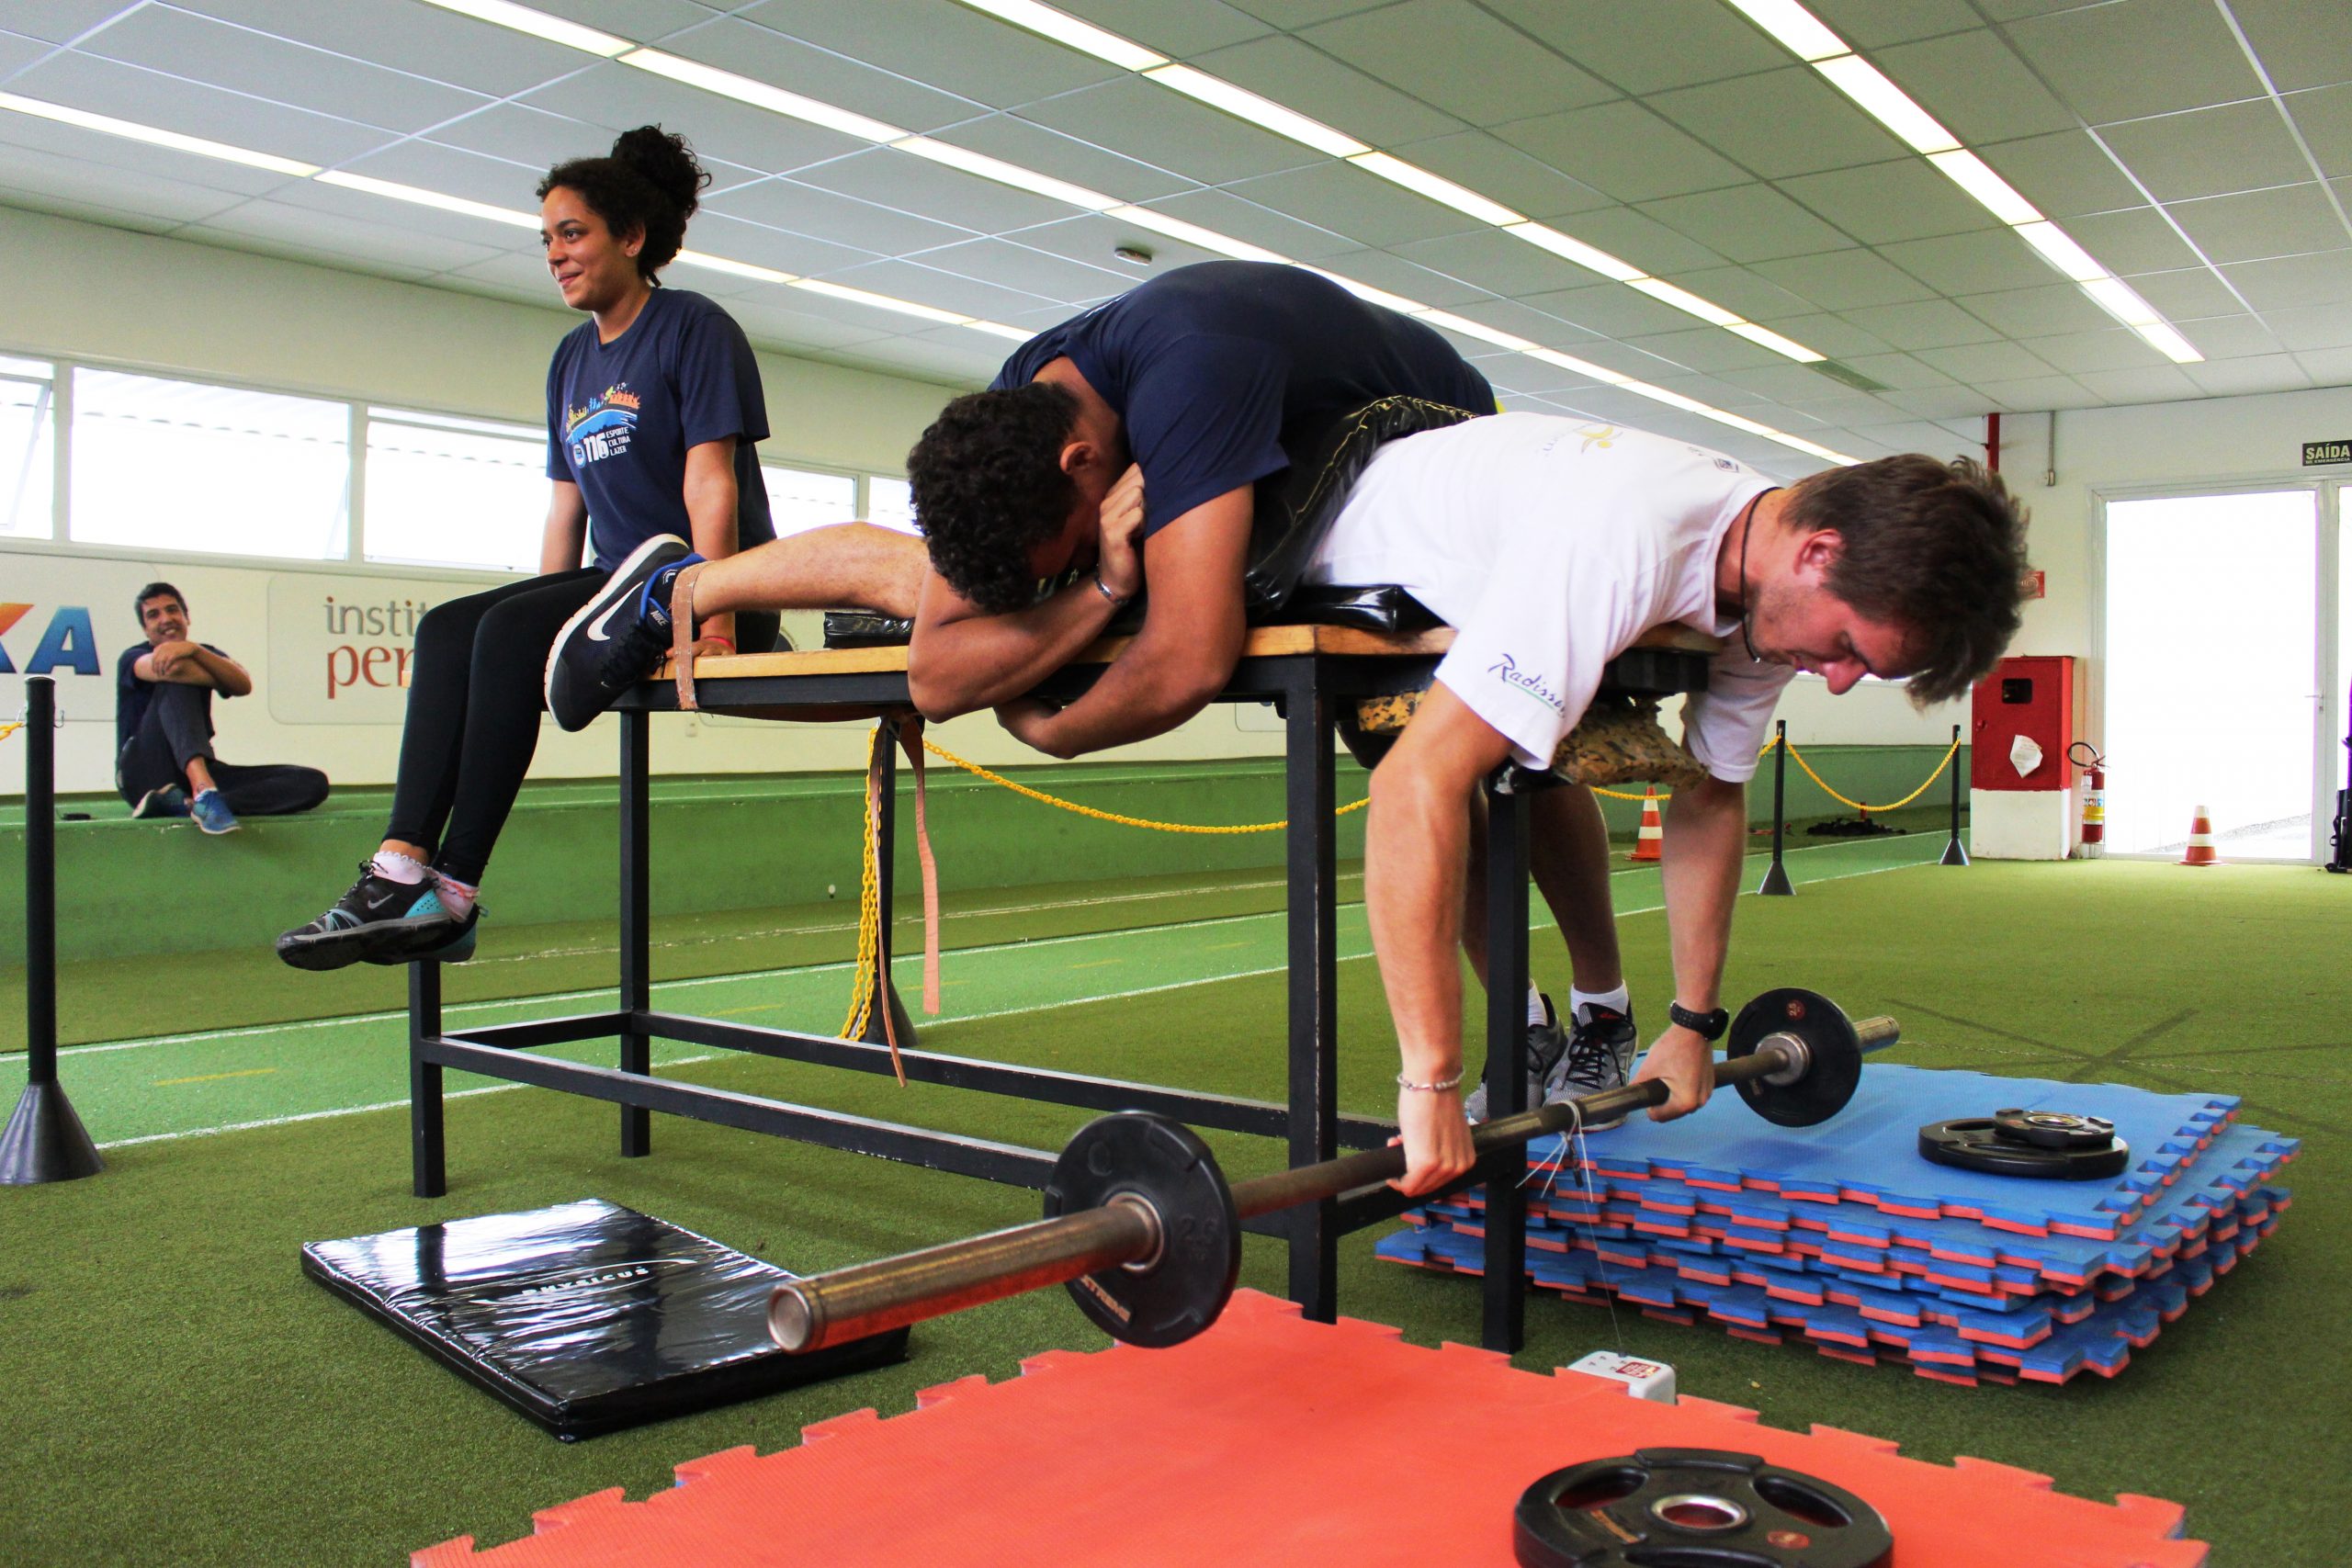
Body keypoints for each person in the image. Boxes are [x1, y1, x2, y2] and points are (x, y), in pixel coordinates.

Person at [1306, 414, 2029, 1198]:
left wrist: (1693, 1023)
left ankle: (1597, 1017)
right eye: (1849, 646)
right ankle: (1521, 1026)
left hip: (1508, 566)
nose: (1842, 678)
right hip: (1346, 558)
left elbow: (1712, 796)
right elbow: (1410, 787)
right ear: (1819, 552)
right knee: (1457, 769)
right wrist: (1431, 1086)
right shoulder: (1620, 543)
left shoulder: (1766, 593)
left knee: (1530, 760)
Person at [275, 125, 781, 971]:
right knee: (449, 628)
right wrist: (550, 621)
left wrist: (714, 616)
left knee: (507, 636)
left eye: (573, 233)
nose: (555, 253)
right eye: (546, 238)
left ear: (631, 237)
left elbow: (711, 485)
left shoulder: (694, 327)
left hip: (703, 583)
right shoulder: (569, 361)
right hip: (615, 586)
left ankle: (456, 891)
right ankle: (400, 869)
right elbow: (566, 506)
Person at [115, 582, 328, 833]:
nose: (166, 619)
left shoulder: (201, 653)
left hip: (190, 776)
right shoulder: (132, 657)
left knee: (312, 782)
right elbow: (175, 670)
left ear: (186, 617)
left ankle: (191, 804)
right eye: (154, 615)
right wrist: (218, 674)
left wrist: (195, 650)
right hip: (144, 776)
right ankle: (203, 791)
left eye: (172, 610)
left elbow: (243, 683)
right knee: (175, 682)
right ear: (145, 629)